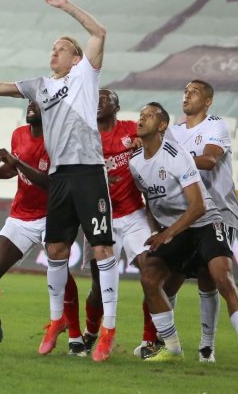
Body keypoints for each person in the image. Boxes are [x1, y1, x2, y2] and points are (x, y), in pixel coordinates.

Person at [0, 0, 118, 362]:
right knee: (56, 251)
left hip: (88, 171)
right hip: (61, 176)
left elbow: (99, 33)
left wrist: (65, 5)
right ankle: (57, 322)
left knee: (102, 249)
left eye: (61, 49)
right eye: (52, 48)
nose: (53, 52)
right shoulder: (41, 87)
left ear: (75, 58)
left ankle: (107, 331)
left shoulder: (85, 76)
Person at [130, 102, 238, 369]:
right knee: (149, 279)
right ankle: (172, 348)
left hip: (205, 222)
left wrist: (165, 233)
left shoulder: (176, 155)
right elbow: (150, 201)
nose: (141, 118)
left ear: (162, 126)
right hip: (175, 229)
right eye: (140, 115)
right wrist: (156, 228)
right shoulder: (136, 163)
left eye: (149, 115)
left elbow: (198, 206)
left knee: (222, 279)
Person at [0, 102, 84, 356]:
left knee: (60, 271)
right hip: (21, 216)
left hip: (53, 215)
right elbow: (13, 169)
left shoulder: (58, 141)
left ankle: (75, 336)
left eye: (39, 103)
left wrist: (17, 162)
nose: (31, 105)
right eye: (29, 102)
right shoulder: (19, 134)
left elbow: (53, 184)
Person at [164, 80, 238, 363]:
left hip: (219, 211)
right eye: (184, 91)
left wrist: (170, 155)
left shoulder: (216, 125)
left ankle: (206, 346)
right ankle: (165, 342)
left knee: (209, 277)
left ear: (208, 101)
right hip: (186, 214)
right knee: (168, 278)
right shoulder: (173, 131)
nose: (187, 95)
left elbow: (208, 160)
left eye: (194, 92)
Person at [82, 89, 157, 358]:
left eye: (106, 99)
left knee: (151, 275)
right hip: (99, 215)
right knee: (98, 289)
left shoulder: (130, 130)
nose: (99, 102)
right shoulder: (86, 135)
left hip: (132, 214)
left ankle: (150, 341)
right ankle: (91, 333)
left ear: (117, 106)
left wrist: (143, 146)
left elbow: (156, 147)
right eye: (96, 98)